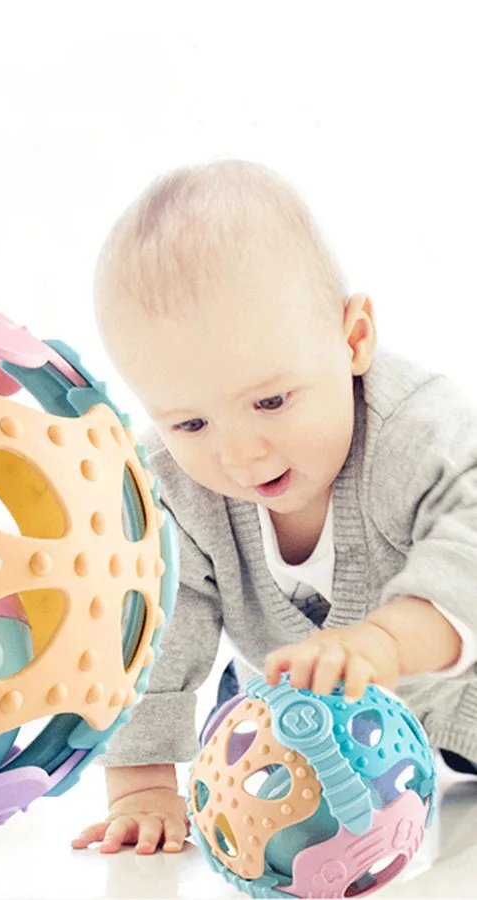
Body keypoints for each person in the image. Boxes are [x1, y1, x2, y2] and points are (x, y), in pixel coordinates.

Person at [71, 159, 477, 855]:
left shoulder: (420, 433)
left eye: (270, 401)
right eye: (190, 423)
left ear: (353, 339)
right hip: (304, 722)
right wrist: (141, 787)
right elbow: (151, 624)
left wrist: (384, 643)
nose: (240, 455)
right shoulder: (172, 487)